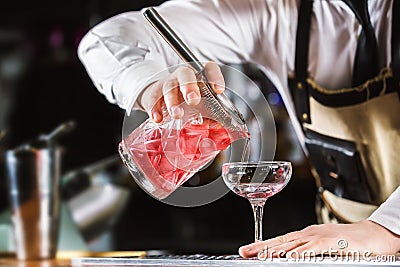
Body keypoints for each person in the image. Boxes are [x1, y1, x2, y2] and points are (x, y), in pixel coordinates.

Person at [78, 0, 400, 257]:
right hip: (334, 253)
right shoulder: (280, 12)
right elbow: (106, 39)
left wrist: (386, 229)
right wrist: (150, 84)